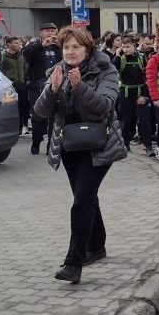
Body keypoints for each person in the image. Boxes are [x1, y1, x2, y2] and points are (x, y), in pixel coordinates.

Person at [33, 26, 127, 284]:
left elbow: (104, 106)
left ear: (88, 49)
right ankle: (97, 246)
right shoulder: (56, 71)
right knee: (85, 198)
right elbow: (41, 112)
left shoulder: (106, 70)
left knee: (81, 202)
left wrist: (79, 87)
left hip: (100, 145)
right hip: (70, 146)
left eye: (76, 47)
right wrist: (51, 90)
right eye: (66, 47)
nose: (70, 52)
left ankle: (73, 263)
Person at [24, 23, 62, 154]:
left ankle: (50, 146)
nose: (50, 33)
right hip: (37, 87)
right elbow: (27, 55)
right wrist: (42, 45)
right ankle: (36, 142)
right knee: (38, 118)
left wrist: (61, 45)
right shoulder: (34, 46)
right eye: (47, 31)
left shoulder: (59, 48)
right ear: (41, 32)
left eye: (53, 31)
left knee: (54, 118)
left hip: (55, 86)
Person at [114, 36, 153, 154]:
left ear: (134, 46)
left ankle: (148, 146)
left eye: (128, 46)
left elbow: (147, 77)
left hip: (140, 94)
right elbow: (112, 69)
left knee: (145, 121)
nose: (125, 49)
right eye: (123, 47)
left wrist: (145, 96)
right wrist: (116, 55)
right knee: (125, 122)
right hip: (125, 94)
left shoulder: (142, 58)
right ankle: (125, 145)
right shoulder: (120, 59)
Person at [0, 36, 29, 134]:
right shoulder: (3, 57)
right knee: (12, 108)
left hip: (22, 85)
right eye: (15, 43)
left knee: (24, 107)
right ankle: (15, 128)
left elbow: (25, 68)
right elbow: (0, 71)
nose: (18, 45)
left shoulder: (21, 55)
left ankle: (23, 127)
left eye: (19, 43)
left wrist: (25, 79)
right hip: (10, 86)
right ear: (8, 44)